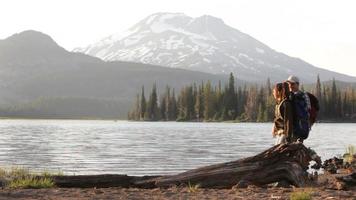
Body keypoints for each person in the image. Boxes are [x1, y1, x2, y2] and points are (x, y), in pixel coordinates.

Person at [286, 75, 311, 142]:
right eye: (288, 84)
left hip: (300, 127)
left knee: (295, 147)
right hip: (290, 128)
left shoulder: (304, 95)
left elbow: (308, 110)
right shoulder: (288, 96)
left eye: (292, 84)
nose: (290, 86)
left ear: (297, 84)